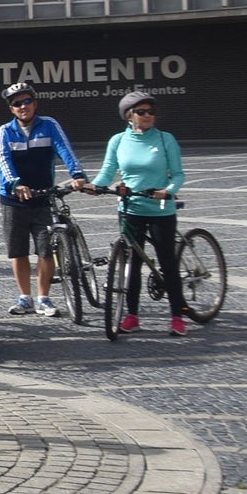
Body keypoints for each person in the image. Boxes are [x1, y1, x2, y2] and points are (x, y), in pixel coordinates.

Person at [91, 91, 189, 335]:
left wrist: (168, 191)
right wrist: (95, 186)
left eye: (151, 112)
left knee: (167, 261)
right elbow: (107, 171)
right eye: (141, 112)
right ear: (129, 116)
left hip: (159, 209)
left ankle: (177, 316)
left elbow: (178, 174)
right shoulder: (117, 141)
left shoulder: (166, 139)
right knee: (132, 263)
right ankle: (132, 315)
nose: (148, 116)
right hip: (130, 208)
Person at [0, 81, 91, 317]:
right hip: (14, 200)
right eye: (17, 104)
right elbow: (3, 162)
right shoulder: (4, 131)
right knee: (17, 251)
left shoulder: (49, 125)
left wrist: (77, 174)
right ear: (11, 109)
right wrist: (16, 185)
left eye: (27, 101)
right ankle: (25, 298)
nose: (23, 106)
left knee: (46, 251)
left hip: (42, 197)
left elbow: (65, 149)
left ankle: (43, 298)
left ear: (35, 103)